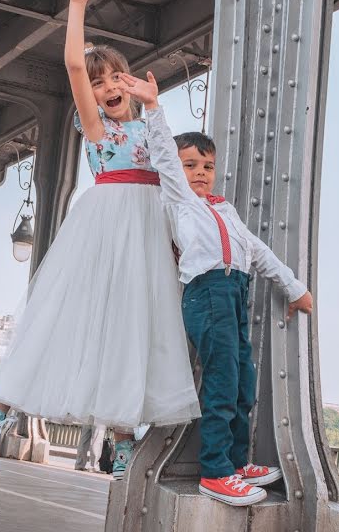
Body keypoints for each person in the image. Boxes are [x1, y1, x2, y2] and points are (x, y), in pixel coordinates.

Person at [0, 0, 200, 481]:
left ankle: (119, 443)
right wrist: (77, 7)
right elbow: (73, 66)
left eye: (114, 77)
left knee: (133, 329)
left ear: (129, 81)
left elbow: (173, 179)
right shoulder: (96, 129)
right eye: (97, 84)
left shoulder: (151, 127)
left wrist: (154, 107)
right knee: (63, 321)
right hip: (104, 227)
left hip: (144, 236)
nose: (106, 87)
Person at [121, 70, 313, 506]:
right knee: (222, 380)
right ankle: (215, 471)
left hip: (235, 292)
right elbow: (166, 161)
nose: (200, 173)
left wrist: (294, 288)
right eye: (191, 166)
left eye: (207, 166)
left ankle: (236, 462)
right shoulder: (179, 200)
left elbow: (257, 250)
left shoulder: (223, 209)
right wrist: (152, 107)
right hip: (207, 293)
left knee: (244, 379)